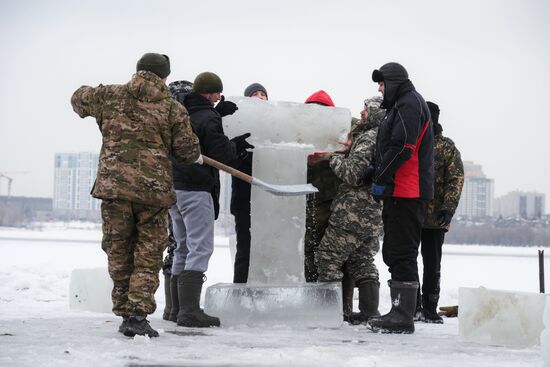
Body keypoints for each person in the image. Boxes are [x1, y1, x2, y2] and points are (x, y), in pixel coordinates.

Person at [70, 53, 201, 337]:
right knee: (147, 256)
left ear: (138, 70)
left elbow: (77, 99)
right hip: (153, 195)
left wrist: (95, 94)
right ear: (165, 76)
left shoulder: (109, 96)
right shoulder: (172, 109)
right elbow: (189, 153)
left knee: (118, 251)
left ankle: (124, 312)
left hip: (114, 189)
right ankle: (137, 316)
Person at [169, 72, 252, 327]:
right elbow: (221, 153)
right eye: (217, 93)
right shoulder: (208, 116)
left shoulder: (181, 112)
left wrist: (218, 114)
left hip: (175, 188)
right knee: (200, 247)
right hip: (196, 188)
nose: (219, 97)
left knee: (181, 246)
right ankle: (190, 311)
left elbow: (200, 130)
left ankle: (174, 309)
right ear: (209, 93)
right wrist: (236, 145)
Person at [366, 62, 434, 334]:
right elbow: (391, 146)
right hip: (401, 189)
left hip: (409, 190)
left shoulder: (408, 103)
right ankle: (399, 309)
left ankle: (403, 316)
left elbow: (403, 146)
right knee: (395, 249)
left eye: (381, 84)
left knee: (402, 251)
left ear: (393, 82)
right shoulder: (401, 104)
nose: (380, 90)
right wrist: (374, 170)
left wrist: (381, 176)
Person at [315, 97, 385, 323]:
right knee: (362, 261)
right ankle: (369, 312)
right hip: (373, 214)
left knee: (327, 258)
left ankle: (330, 313)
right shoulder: (383, 137)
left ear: (375, 113)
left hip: (352, 213)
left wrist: (333, 157)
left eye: (366, 109)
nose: (362, 113)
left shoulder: (367, 139)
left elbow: (353, 174)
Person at [414, 101, 464, 323]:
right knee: (407, 261)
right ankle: (412, 306)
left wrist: (448, 209)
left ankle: (430, 309)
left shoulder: (446, 147)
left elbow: (456, 179)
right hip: (411, 215)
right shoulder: (412, 142)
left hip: (435, 218)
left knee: (432, 264)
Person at [303, 90, 342, 283]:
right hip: (311, 199)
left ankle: (339, 299)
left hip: (333, 200)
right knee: (309, 245)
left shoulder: (340, 134)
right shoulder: (301, 134)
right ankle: (311, 291)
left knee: (335, 252)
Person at [231, 83, 267, 283]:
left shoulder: (273, 129)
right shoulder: (237, 126)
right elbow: (228, 157)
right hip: (244, 199)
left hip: (268, 201)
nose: (260, 97)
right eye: (255, 94)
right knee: (245, 249)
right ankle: (240, 292)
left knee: (266, 250)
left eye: (263, 94)